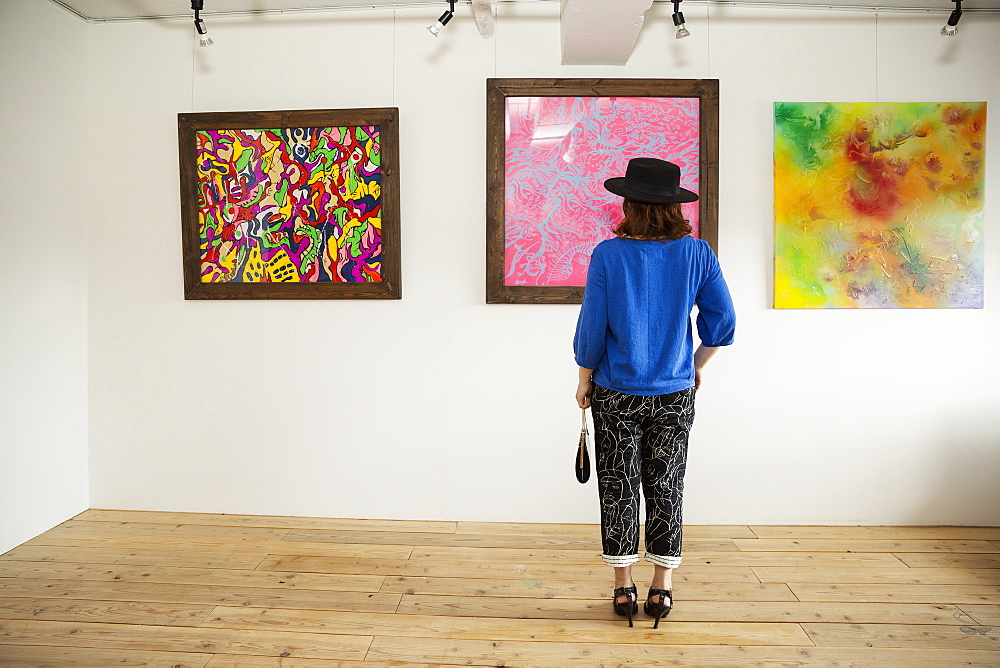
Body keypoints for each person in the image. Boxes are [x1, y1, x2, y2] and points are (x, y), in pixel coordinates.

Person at [573, 157, 736, 629]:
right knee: (667, 484)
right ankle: (662, 587)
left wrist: (584, 378)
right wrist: (695, 365)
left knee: (618, 484)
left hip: (615, 389)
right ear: (673, 206)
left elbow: (591, 328)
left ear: (628, 202)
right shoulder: (697, 253)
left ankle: (623, 584)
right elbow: (722, 322)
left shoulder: (608, 254)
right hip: (674, 390)